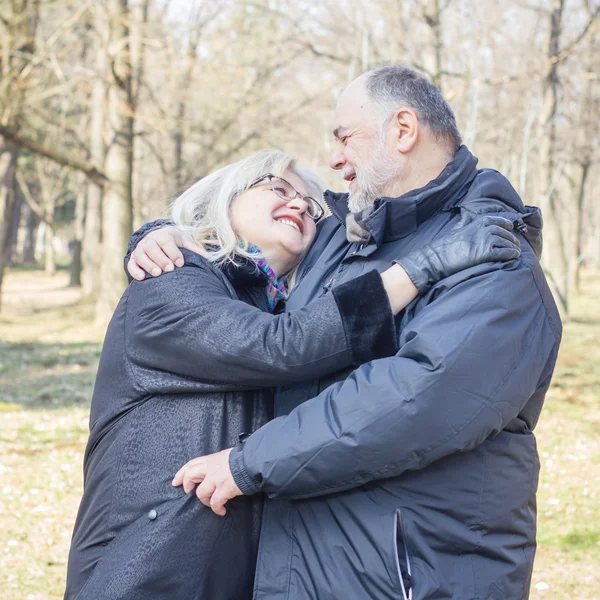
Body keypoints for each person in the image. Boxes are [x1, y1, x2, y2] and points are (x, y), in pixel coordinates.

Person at [133, 66, 561, 600]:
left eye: (343, 137)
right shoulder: (350, 234)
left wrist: (250, 464)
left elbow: (416, 399)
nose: (333, 159)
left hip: (411, 575)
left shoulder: (492, 250)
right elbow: (251, 215)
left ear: (403, 130)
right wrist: (165, 231)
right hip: (307, 566)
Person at [64, 149, 517, 600]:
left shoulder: (272, 301)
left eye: (309, 204)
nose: (299, 204)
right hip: (144, 570)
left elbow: (388, 198)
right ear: (223, 198)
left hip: (229, 575)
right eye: (278, 189)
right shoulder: (170, 280)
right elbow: (279, 345)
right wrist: (427, 265)